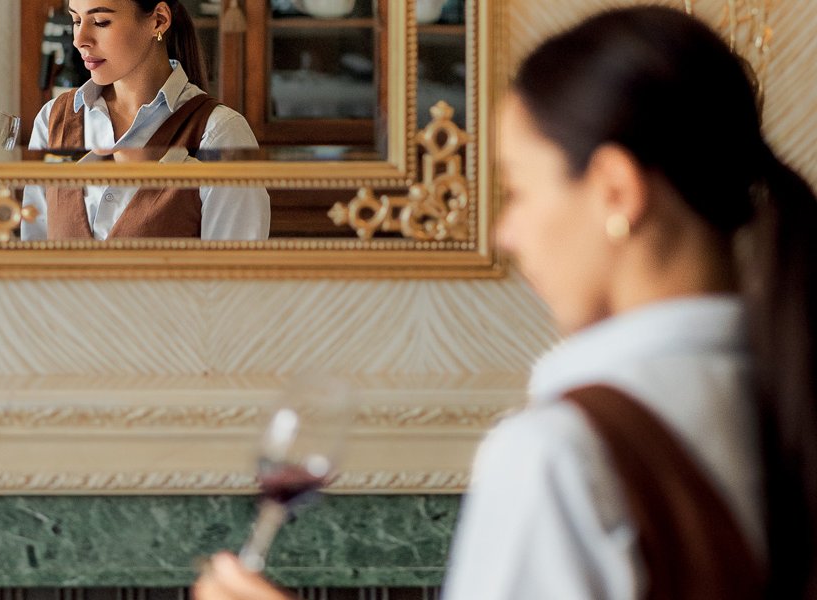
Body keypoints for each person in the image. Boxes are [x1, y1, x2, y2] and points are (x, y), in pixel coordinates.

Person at [193, 6, 817, 599]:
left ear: (615, 190)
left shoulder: (558, 454)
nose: (504, 233)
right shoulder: (788, 393)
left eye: (517, 190)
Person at [21, 0, 269, 241]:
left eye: (100, 21)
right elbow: (30, 257)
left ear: (159, 20)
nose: (79, 39)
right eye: (76, 20)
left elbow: (235, 268)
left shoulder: (220, 133)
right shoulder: (52, 119)